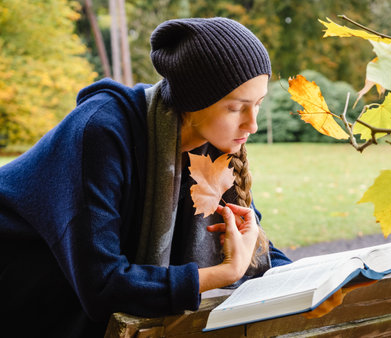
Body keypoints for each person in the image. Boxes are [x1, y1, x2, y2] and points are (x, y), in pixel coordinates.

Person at [0, 17, 292, 336]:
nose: (252, 124)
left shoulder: (216, 148)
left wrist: (312, 281)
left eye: (258, 105)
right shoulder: (101, 132)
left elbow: (255, 244)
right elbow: (103, 285)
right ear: (192, 104)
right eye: (236, 108)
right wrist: (227, 272)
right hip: (24, 290)